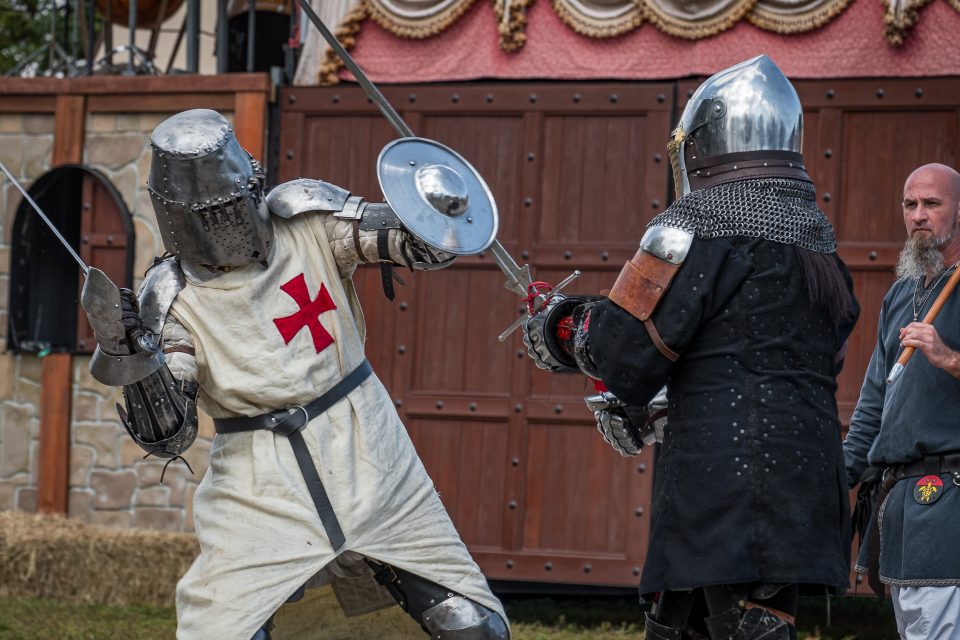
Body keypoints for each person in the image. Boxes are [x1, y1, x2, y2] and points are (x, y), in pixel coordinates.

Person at [79, 108, 509, 640]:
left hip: (368, 453)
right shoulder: (170, 298)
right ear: (176, 216)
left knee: (470, 626)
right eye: (205, 215)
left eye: (226, 209)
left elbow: (416, 244)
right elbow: (172, 435)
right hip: (257, 482)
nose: (222, 227)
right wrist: (133, 355)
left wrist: (436, 203)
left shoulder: (308, 220)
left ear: (250, 184)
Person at [522, 55, 859, 640]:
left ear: (698, 145)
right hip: (806, 479)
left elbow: (625, 349)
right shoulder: (819, 244)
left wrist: (562, 325)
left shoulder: (691, 225)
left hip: (725, 486)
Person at [843, 163, 960, 639]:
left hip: (951, 498)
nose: (918, 215)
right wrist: (834, 481)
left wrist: (947, 356)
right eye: (910, 205)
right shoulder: (900, 294)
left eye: (932, 204)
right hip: (902, 505)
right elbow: (873, 406)